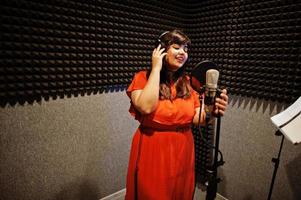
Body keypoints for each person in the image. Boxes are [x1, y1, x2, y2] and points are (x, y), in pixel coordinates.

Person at [125, 29, 228, 200]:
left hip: (183, 148)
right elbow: (146, 107)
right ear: (161, 50)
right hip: (154, 149)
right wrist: (156, 68)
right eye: (176, 47)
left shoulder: (189, 83)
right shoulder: (143, 77)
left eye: (186, 49)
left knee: (180, 193)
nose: (183, 52)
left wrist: (212, 110)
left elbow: (198, 119)